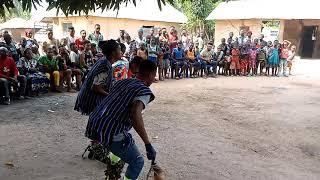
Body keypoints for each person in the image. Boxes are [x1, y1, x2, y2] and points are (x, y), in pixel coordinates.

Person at [85, 60, 157, 180]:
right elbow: (135, 114)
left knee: (119, 149)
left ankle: (111, 175)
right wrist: (147, 144)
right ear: (150, 75)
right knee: (137, 162)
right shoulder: (144, 91)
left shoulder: (123, 82)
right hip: (110, 129)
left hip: (95, 123)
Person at [74, 39, 121, 115]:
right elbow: (96, 87)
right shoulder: (105, 65)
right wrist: (111, 96)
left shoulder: (104, 61)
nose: (121, 52)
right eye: (119, 50)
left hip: (91, 96)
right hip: (92, 99)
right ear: (113, 52)